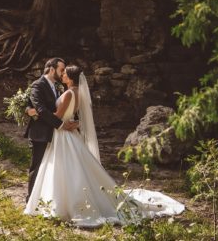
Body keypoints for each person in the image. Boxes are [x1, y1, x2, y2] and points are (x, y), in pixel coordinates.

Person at [23, 65, 185, 227]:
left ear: (70, 78)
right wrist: (74, 122)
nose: (62, 75)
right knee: (74, 168)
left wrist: (35, 111)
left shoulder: (68, 94)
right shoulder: (78, 93)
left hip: (63, 134)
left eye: (64, 73)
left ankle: (62, 204)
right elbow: (78, 117)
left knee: (63, 167)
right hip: (69, 134)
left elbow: (58, 116)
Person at [24, 58, 78, 203]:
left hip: (56, 134)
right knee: (37, 167)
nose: (63, 74)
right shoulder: (38, 85)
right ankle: (30, 200)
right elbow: (40, 109)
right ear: (52, 69)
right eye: (61, 70)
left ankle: (47, 198)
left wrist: (73, 122)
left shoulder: (58, 87)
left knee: (52, 168)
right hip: (40, 133)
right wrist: (60, 124)